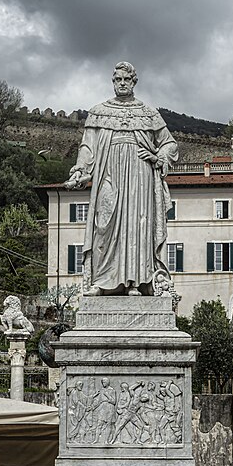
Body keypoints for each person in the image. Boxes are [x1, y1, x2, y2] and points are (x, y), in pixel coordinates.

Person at [64, 61, 179, 297]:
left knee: (137, 225)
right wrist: (79, 170)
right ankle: (102, 281)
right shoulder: (99, 112)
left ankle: (134, 282)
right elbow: (88, 147)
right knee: (103, 223)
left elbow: (169, 144)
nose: (122, 83)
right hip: (108, 172)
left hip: (140, 176)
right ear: (113, 81)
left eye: (127, 79)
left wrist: (158, 156)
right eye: (118, 80)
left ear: (134, 82)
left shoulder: (148, 113)